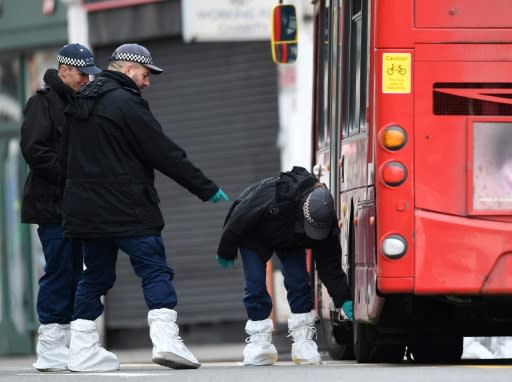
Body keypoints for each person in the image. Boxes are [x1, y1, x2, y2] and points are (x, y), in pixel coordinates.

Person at [61, 43, 229, 372]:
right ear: (127, 70)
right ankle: (166, 342)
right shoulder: (125, 102)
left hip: (86, 212)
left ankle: (81, 350)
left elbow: (64, 159)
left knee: (94, 277)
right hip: (128, 209)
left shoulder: (77, 104)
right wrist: (205, 188)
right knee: (154, 269)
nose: (148, 81)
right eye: (145, 73)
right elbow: (162, 152)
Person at [216, 166, 353, 366]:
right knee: (255, 286)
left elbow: (329, 266)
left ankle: (303, 343)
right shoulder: (272, 195)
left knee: (298, 282)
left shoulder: (326, 221)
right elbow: (239, 216)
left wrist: (344, 299)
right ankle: (260, 345)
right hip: (254, 235)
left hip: (290, 240)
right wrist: (226, 249)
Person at [20, 43, 102, 372]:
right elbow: (34, 150)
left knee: (74, 271)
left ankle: (66, 336)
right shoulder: (42, 103)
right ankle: (51, 340)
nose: (86, 79)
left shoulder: (78, 102)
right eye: (82, 74)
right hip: (53, 205)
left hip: (76, 205)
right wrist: (72, 178)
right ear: (64, 70)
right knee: (60, 270)